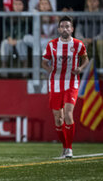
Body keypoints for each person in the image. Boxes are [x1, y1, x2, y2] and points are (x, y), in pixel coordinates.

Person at [42, 16, 89, 158]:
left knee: (68, 114)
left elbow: (85, 58)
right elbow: (44, 62)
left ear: (72, 29)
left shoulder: (79, 44)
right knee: (58, 119)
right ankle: (64, 146)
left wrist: (80, 68)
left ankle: (69, 148)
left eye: (68, 26)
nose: (65, 29)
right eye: (62, 26)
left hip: (72, 83)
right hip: (55, 83)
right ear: (58, 29)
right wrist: (49, 69)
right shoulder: (52, 44)